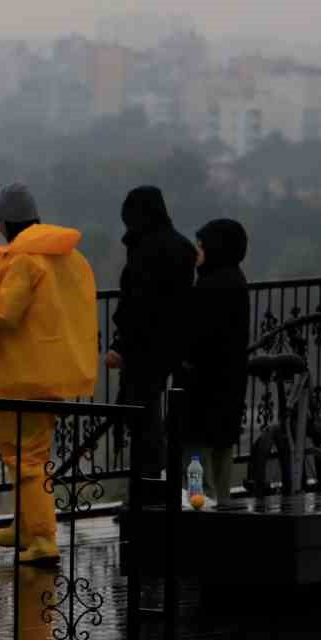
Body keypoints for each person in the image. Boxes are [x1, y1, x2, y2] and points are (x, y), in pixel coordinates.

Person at [0, 184, 98, 567]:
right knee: (28, 453)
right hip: (50, 372)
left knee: (25, 458)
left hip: (24, 376)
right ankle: (26, 525)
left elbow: (5, 313)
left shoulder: (24, 260)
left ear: (2, 225)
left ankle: (43, 538)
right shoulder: (69, 257)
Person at [107, 186, 197, 482]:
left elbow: (135, 302)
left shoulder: (144, 249)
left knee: (143, 419)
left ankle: (146, 488)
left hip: (143, 346)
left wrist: (120, 343)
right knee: (173, 417)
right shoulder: (183, 248)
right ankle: (172, 483)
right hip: (177, 342)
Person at [177, 219, 250, 509]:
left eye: (202, 246)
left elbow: (197, 333)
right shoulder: (235, 279)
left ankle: (197, 496)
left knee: (196, 444)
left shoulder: (211, 285)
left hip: (203, 377)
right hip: (229, 375)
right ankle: (223, 496)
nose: (198, 252)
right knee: (223, 440)